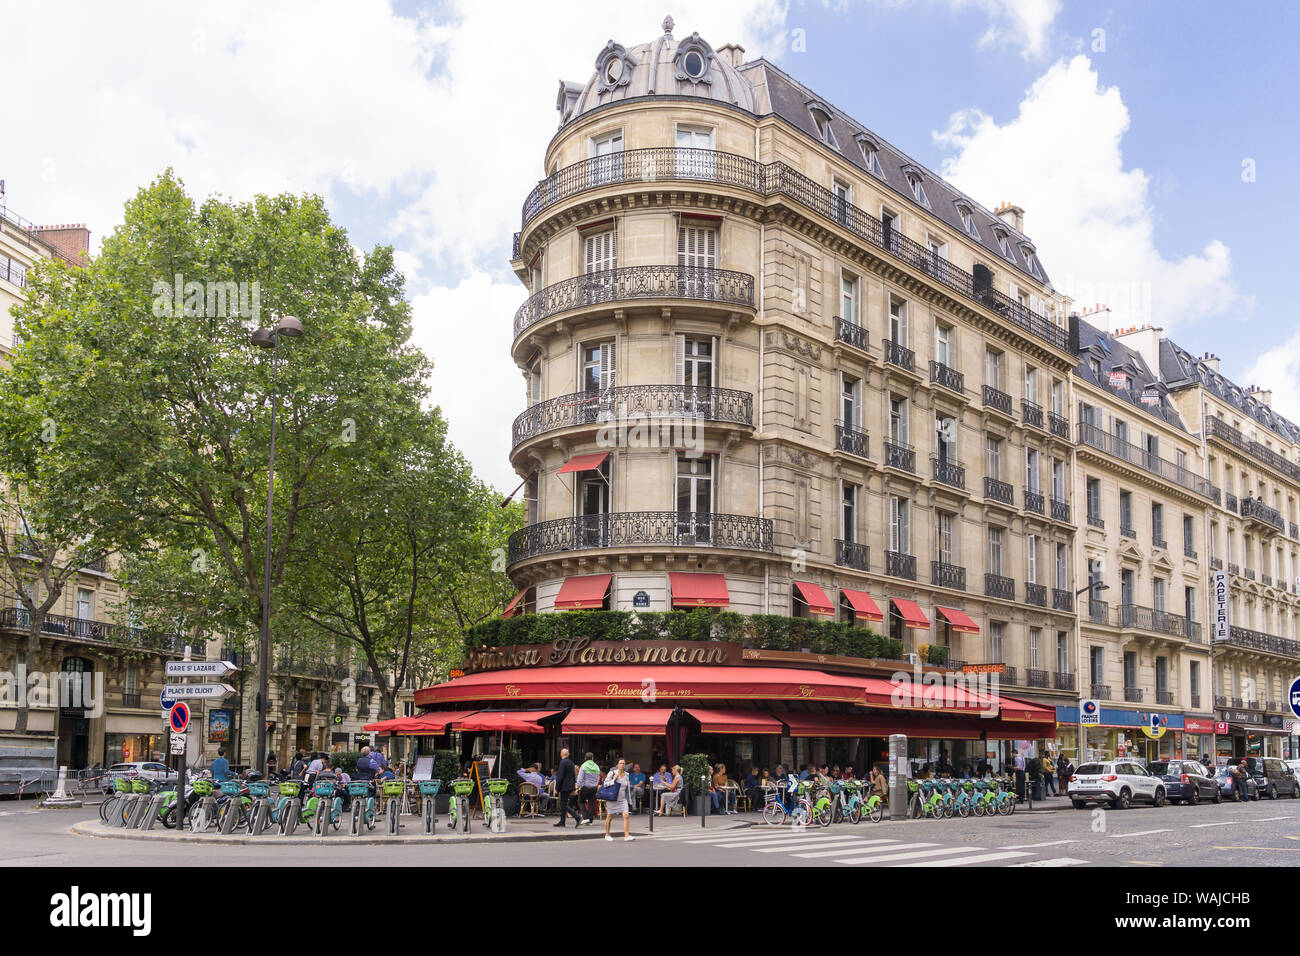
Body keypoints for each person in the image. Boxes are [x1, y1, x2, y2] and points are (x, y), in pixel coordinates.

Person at [602, 757, 635, 842]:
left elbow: (627, 788)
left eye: (624, 763)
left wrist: (629, 800)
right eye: (621, 763)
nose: (622, 765)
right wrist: (614, 780)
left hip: (622, 799)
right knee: (610, 816)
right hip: (613, 798)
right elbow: (605, 784)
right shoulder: (612, 773)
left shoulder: (627, 774)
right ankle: (607, 834)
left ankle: (626, 836)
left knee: (626, 815)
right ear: (617, 765)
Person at [553, 748, 582, 827]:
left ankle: (577, 817)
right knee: (564, 803)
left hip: (564, 786)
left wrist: (556, 788)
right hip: (569, 785)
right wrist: (573, 786)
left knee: (563, 805)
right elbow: (573, 775)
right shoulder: (571, 762)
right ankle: (562, 822)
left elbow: (560, 776)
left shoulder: (562, 762)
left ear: (561, 754)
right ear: (568, 754)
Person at [577, 752, 601, 824]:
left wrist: (578, 786)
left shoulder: (583, 766)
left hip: (585, 787)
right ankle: (590, 820)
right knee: (591, 803)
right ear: (592, 758)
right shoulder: (597, 767)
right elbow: (598, 778)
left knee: (580, 801)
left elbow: (580, 778)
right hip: (594, 787)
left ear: (585, 758)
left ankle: (585, 817)